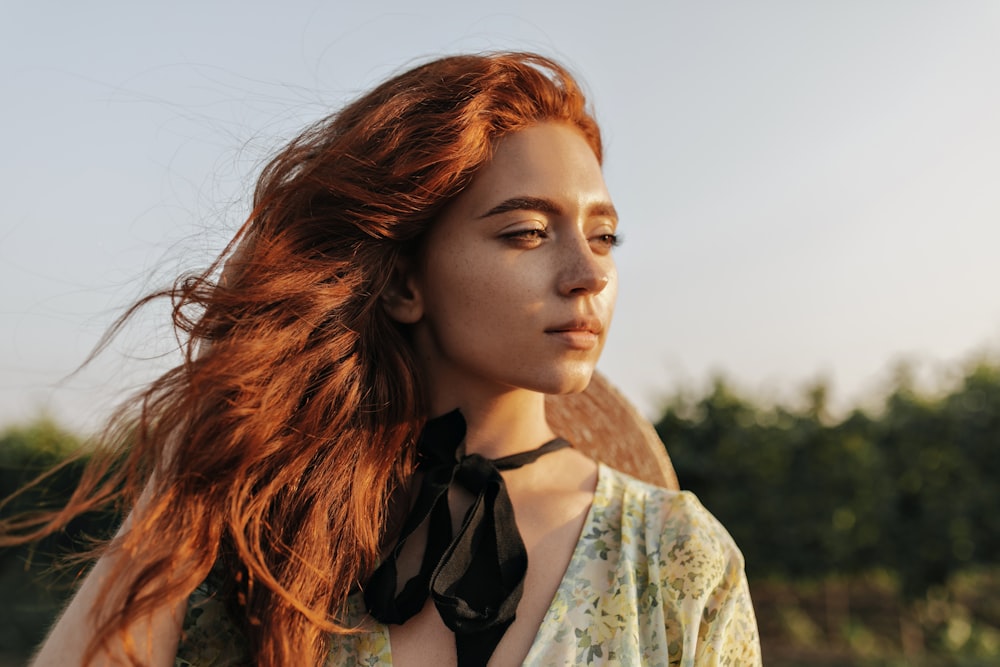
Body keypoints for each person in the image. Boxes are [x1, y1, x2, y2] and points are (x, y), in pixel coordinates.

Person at [9, 52, 760, 666]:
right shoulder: (274, 536)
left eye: (603, 236)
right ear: (404, 281)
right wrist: (184, 471)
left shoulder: (674, 557)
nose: (589, 274)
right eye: (529, 232)